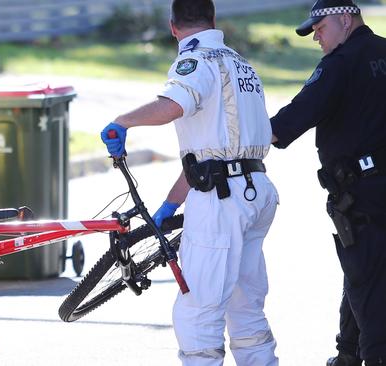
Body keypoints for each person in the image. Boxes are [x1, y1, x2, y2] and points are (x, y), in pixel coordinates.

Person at [100, 0, 279, 364]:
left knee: (199, 310)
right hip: (254, 191)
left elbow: (172, 106)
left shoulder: (195, 61)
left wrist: (123, 121)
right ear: (213, 19)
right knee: (245, 307)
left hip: (223, 202)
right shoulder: (242, 64)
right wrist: (171, 205)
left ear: (172, 27)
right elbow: (214, 153)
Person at [270, 0, 386, 365]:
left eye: (320, 29)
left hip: (361, 195)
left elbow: (286, 124)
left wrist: (238, 132)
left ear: (345, 19)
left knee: (369, 287)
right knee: (366, 277)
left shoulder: (339, 64)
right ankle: (347, 355)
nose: (316, 37)